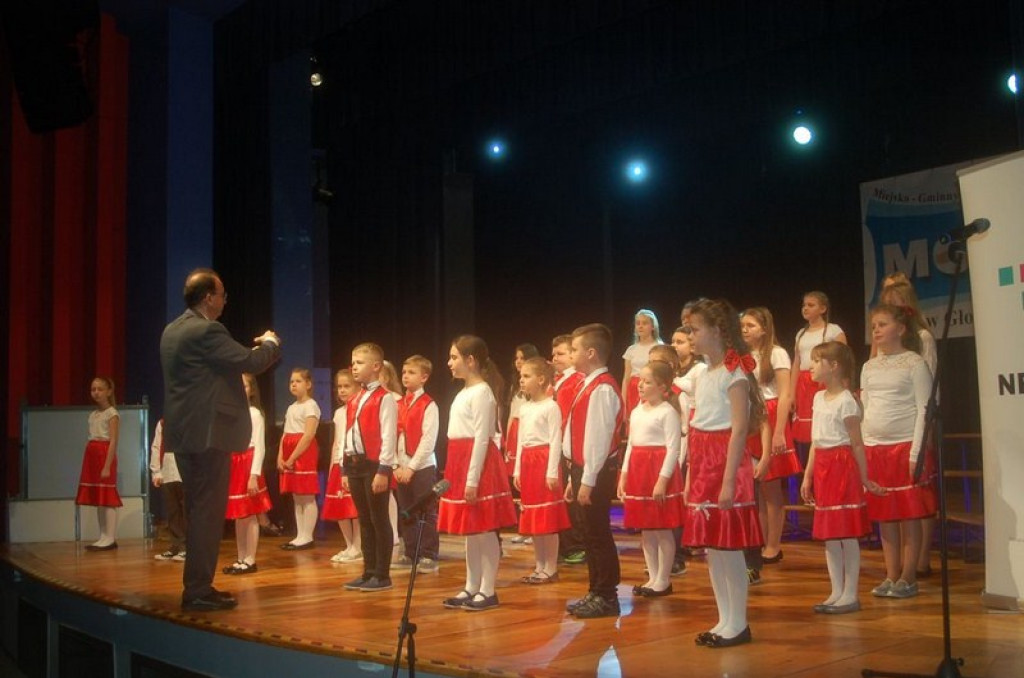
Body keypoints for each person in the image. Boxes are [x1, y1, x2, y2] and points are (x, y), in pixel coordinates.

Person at [160, 267, 280, 611]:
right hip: (208, 435)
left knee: (198, 511)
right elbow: (250, 361)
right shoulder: (207, 330)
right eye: (222, 294)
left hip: (185, 434)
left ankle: (198, 586)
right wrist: (271, 343)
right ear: (209, 298)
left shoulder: (172, 330)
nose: (225, 300)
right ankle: (198, 590)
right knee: (207, 514)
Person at [684, 299, 764, 648]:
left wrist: (729, 480)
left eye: (694, 330)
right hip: (705, 463)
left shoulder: (734, 373)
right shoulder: (703, 373)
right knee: (713, 549)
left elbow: (739, 428)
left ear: (716, 331)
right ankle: (724, 618)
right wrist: (692, 476)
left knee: (729, 549)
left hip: (725, 462)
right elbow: (698, 427)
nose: (690, 336)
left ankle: (739, 622)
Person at [801, 342, 882, 614]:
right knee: (830, 535)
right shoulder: (817, 398)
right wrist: (808, 476)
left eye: (817, 361)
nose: (811, 367)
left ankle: (850, 593)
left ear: (834, 366)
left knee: (845, 533)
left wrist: (865, 477)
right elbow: (815, 441)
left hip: (841, 467)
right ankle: (836, 590)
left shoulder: (847, 400)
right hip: (823, 467)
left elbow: (856, 443)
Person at [438, 335, 518, 612]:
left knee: (484, 529)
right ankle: (471, 585)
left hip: (478, 463)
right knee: (471, 531)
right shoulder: (464, 392)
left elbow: (482, 438)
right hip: (459, 460)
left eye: (454, 357)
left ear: (470, 360)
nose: (449, 363)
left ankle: (488, 589)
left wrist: (472, 479)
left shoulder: (483, 392)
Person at [862, 304, 933, 600]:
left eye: (882, 324)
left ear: (901, 329)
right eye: (874, 326)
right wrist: (864, 447)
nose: (876, 330)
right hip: (875, 448)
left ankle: (908, 576)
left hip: (904, 447)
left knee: (908, 514)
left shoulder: (914, 363)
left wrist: (916, 452)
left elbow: (925, 409)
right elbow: (866, 406)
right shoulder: (869, 367)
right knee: (885, 516)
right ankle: (891, 574)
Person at [877, 274, 938, 578]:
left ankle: (921, 559)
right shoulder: (882, 346)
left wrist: (926, 432)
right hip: (889, 431)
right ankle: (898, 567)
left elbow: (930, 387)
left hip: (917, 424)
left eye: (897, 305)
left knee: (918, 497)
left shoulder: (922, 338)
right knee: (895, 500)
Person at [564, 323, 624, 619]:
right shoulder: (587, 385)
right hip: (583, 469)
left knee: (598, 532)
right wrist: (573, 475)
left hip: (596, 471)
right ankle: (595, 590)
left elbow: (598, 440)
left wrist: (587, 479)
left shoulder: (602, 388)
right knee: (588, 533)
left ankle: (607, 595)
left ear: (590, 353)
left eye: (574, 349)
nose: (571, 355)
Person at [618, 360, 684, 598]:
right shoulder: (637, 411)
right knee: (646, 528)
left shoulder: (667, 412)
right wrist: (624, 475)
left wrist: (662, 480)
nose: (640, 385)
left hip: (657, 471)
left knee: (662, 528)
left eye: (647, 382)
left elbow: (673, 449)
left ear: (662, 387)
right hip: (639, 471)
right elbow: (631, 445)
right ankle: (653, 577)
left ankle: (663, 579)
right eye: (640, 381)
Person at [741, 307, 800, 563]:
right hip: (752, 417)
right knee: (758, 488)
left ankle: (774, 545)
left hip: (772, 414)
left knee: (771, 487)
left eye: (751, 325)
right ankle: (762, 540)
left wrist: (779, 432)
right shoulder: (743, 356)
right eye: (743, 326)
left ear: (764, 329)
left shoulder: (777, 353)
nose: (745, 330)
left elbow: (785, 394)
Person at [341, 343, 398, 593]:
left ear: (376, 366)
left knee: (378, 518)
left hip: (374, 464)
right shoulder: (355, 398)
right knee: (364, 519)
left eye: (360, 362)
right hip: (355, 464)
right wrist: (344, 467)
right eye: (353, 362)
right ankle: (368, 571)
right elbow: (348, 433)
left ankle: (382, 574)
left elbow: (389, 436)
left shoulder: (385, 398)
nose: (354, 367)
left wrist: (383, 470)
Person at [513, 357, 571, 584]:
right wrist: (517, 469)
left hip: (544, 461)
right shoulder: (525, 408)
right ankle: (539, 566)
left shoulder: (551, 406)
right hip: (528, 462)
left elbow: (556, 440)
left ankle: (551, 567)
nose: (522, 380)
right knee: (534, 517)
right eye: (521, 376)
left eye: (526, 376)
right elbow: (520, 441)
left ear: (541, 379)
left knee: (547, 518)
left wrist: (552, 471)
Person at [393, 355, 441, 574]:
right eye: (404, 372)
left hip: (422, 466)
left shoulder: (429, 405)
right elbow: (391, 436)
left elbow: (428, 440)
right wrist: (396, 466)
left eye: (411, 372)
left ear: (424, 377)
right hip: (401, 465)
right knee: (406, 510)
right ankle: (410, 552)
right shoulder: (398, 404)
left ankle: (428, 554)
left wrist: (412, 467)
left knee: (426, 510)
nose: (405, 376)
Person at [222, 373, 273, 574]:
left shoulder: (254, 414)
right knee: (239, 515)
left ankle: (250, 559)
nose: (240, 389)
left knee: (250, 512)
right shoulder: (233, 412)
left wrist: (253, 475)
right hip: (235, 463)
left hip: (248, 463)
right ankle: (241, 557)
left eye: (244, 386)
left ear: (251, 390)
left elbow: (260, 446)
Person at [790, 291, 846, 453]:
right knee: (806, 428)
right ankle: (807, 463)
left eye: (811, 305)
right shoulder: (800, 334)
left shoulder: (833, 330)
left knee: (824, 421)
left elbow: (844, 359)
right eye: (804, 305)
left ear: (822, 309)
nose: (805, 308)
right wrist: (792, 394)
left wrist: (843, 385)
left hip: (825, 381)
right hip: (803, 384)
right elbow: (796, 363)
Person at [551, 334, 587, 566]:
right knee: (562, 497)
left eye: (561, 353)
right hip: (559, 445)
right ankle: (565, 544)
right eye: (554, 354)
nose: (555, 358)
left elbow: (569, 419)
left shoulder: (576, 381)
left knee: (571, 498)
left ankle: (576, 545)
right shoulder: (558, 380)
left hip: (570, 446)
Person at [277, 368, 322, 550]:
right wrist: (281, 456)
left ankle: (308, 536)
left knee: (307, 495)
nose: (294, 384)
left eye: (298, 381)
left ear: (308, 384)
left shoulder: (311, 406)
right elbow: (285, 433)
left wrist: (293, 457)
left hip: (303, 451)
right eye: (291, 382)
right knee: (297, 496)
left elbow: (308, 435)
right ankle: (300, 535)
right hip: (290, 450)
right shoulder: (291, 407)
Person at [76, 376, 122, 551]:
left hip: (105, 454)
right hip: (92, 455)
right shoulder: (93, 414)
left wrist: (107, 465)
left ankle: (110, 537)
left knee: (107, 497)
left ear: (109, 391)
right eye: (93, 389)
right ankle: (103, 536)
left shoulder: (112, 414)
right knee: (98, 497)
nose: (96, 392)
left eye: (100, 389)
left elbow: (113, 441)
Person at [323, 368, 362, 563]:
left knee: (354, 508)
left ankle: (358, 547)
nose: (342, 390)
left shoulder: (360, 409)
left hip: (353, 464)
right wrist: (333, 465)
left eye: (347, 386)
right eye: (339, 387)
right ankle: (349, 545)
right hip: (339, 464)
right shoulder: (339, 413)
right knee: (340, 507)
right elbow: (337, 441)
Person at [150, 418, 186, 561]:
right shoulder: (163, 423)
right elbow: (157, 446)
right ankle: (176, 545)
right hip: (168, 470)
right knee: (172, 510)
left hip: (186, 471)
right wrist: (156, 471)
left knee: (186, 510)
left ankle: (187, 547)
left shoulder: (190, 418)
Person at [621, 309, 663, 419]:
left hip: (651, 387)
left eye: (644, 323)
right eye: (638, 323)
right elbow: (626, 378)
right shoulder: (631, 349)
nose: (640, 326)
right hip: (633, 389)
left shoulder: (659, 347)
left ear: (653, 327)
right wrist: (623, 401)